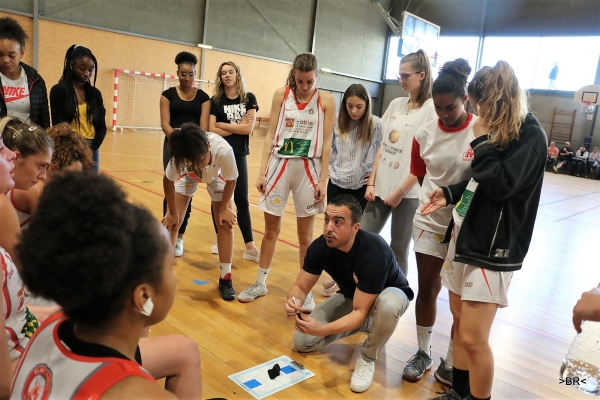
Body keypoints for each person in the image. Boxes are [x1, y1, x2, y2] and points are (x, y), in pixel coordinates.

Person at [13, 172, 203, 399]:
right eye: (170, 267)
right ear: (143, 297)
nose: (175, 278)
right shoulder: (138, 394)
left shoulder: (51, 325)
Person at [423, 61, 547, 400]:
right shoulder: (497, 129)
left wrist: (480, 143)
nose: (477, 113)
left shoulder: (531, 135)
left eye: (481, 106)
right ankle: (459, 394)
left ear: (498, 102)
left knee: (475, 340)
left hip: (494, 249)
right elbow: (479, 179)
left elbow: (502, 185)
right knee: (463, 328)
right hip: (466, 237)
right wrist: (450, 193)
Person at [285, 194, 413, 393]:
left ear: (355, 228)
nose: (329, 228)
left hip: (391, 293)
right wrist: (293, 300)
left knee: (388, 304)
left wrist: (323, 329)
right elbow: (300, 288)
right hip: (354, 297)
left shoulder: (374, 250)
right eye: (327, 220)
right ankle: (371, 324)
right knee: (302, 342)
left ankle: (368, 357)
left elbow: (359, 313)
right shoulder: (320, 247)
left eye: (338, 222)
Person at [238, 53, 336, 307]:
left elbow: (327, 142)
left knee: (306, 237)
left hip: (309, 169)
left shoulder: (325, 99)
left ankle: (306, 290)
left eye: (310, 82)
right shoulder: (281, 95)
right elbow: (270, 134)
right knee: (271, 230)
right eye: (300, 81)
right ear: (294, 75)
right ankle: (260, 282)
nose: (304, 87)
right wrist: (262, 171)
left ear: (316, 78)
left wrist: (323, 180)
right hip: (279, 165)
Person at [403, 59, 476, 386]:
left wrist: (456, 205)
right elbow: (420, 177)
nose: (445, 113)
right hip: (430, 222)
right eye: (439, 107)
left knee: (458, 299)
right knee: (429, 289)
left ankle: (452, 359)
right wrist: (436, 203)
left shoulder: (480, 129)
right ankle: (423, 352)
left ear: (465, 100)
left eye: (452, 107)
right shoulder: (423, 133)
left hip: (467, 225)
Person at [361, 49, 437, 277]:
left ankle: (398, 293)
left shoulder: (431, 109)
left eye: (406, 76)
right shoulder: (395, 104)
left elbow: (425, 159)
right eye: (400, 75)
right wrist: (371, 182)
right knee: (363, 239)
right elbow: (381, 146)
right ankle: (355, 288)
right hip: (380, 189)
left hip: (408, 193)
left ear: (421, 75)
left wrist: (400, 192)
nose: (401, 80)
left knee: (398, 249)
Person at [162, 123, 238, 301]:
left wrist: (225, 207)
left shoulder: (223, 151)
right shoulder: (182, 158)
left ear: (209, 148)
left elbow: (232, 180)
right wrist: (172, 213)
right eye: (193, 161)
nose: (198, 164)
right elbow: (167, 181)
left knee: (225, 223)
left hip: (216, 175)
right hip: (188, 176)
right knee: (171, 223)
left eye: (200, 160)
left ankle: (225, 278)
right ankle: (163, 275)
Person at [160, 51, 210, 257]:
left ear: (195, 74)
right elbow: (165, 123)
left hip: (195, 148)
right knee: (171, 190)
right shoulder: (167, 95)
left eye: (191, 74)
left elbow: (205, 127)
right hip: (173, 145)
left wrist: (191, 145)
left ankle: (179, 236)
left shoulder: (204, 98)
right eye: (183, 74)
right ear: (177, 73)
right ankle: (166, 235)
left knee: (187, 192)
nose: (187, 78)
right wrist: (179, 141)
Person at [209, 61, 260, 261]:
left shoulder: (249, 99)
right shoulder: (215, 100)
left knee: (242, 200)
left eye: (231, 72)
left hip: (239, 154)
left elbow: (248, 129)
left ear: (237, 74)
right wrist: (236, 125)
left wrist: (223, 125)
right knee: (220, 200)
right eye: (223, 73)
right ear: (220, 77)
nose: (227, 75)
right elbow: (211, 129)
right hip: (219, 155)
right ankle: (218, 238)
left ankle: (250, 247)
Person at [0, 132, 35, 399]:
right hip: (20, 364)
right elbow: (4, 384)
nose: (13, 153)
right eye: (1, 150)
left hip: (23, 330)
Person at [0, 116, 53, 264]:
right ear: (16, 157)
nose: (43, 176)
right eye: (41, 166)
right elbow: (24, 269)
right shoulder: (3, 204)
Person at [49, 44, 106, 172]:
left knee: (90, 187)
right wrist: (75, 147)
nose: (87, 73)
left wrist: (92, 148)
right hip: (69, 147)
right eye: (82, 68)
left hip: (92, 148)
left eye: (91, 70)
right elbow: (59, 124)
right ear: (71, 65)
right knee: (71, 186)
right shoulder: (58, 91)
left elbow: (102, 125)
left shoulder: (95, 94)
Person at [328, 83, 383, 212]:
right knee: (335, 226)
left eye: (359, 107)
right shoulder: (335, 120)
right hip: (336, 183)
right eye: (350, 106)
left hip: (362, 185)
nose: (353, 111)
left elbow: (379, 154)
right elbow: (328, 147)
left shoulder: (376, 124)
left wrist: (373, 178)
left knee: (357, 228)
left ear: (367, 105)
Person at [0, 17, 50, 128]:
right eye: (0, 55)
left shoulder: (36, 80)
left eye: (12, 55)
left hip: (28, 140)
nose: (6, 60)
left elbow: (44, 120)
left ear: (22, 52)